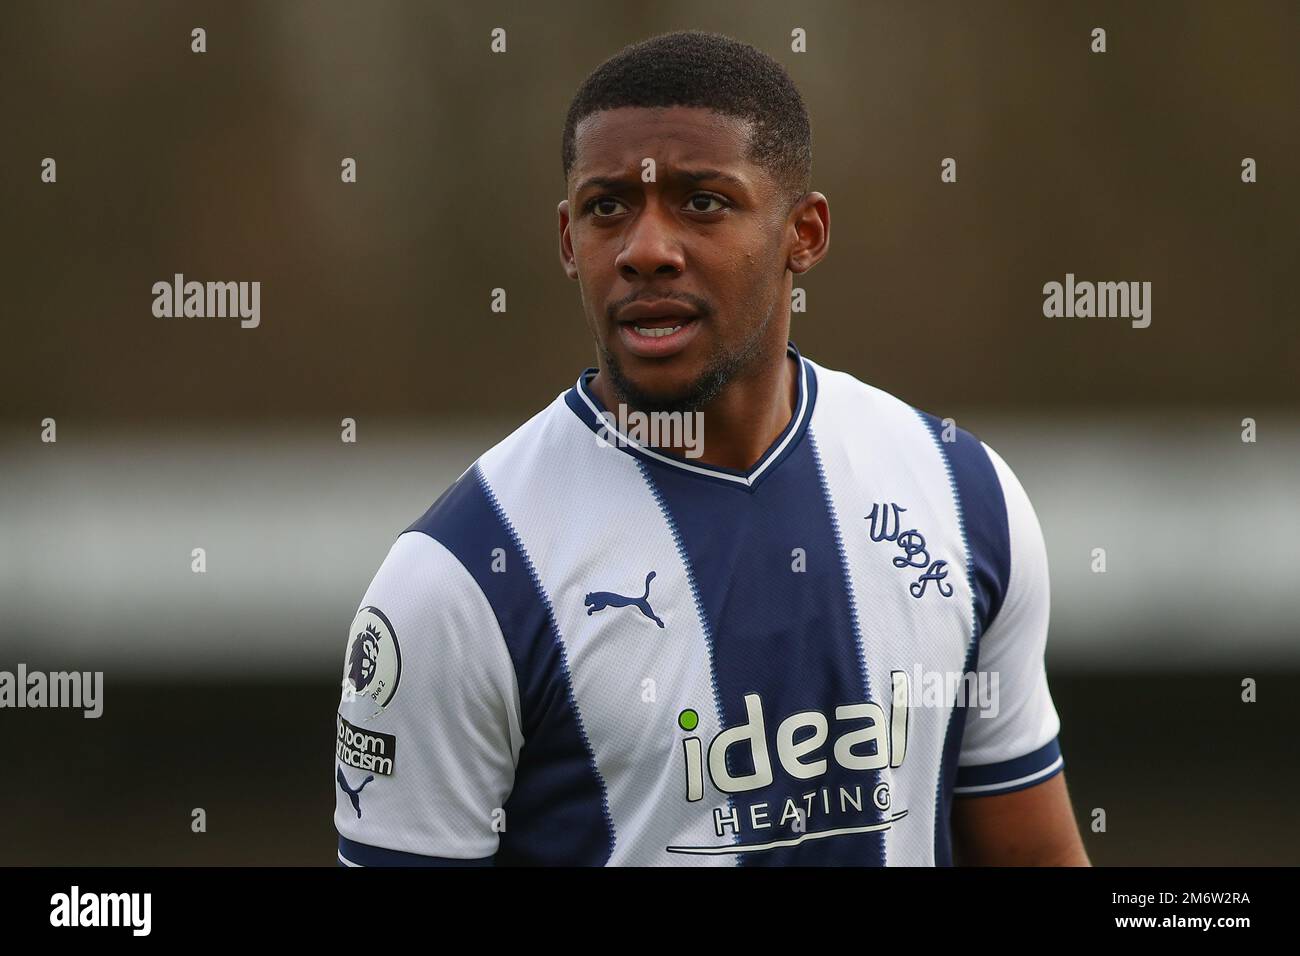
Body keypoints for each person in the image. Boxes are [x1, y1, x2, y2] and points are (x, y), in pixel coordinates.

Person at [333, 29, 1089, 866]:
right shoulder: (459, 581)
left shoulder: (961, 496)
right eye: (606, 207)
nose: (645, 250)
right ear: (564, 240)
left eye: (702, 202)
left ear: (804, 232)